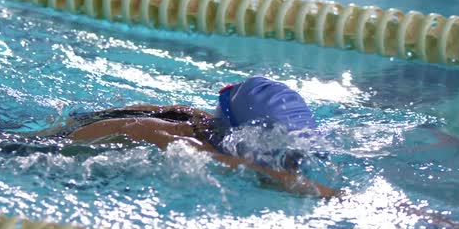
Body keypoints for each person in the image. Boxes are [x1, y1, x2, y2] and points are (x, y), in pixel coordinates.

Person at [29, 76, 336, 197]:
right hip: (18, 150)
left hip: (57, 131)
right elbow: (250, 171)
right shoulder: (172, 137)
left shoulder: (195, 117)